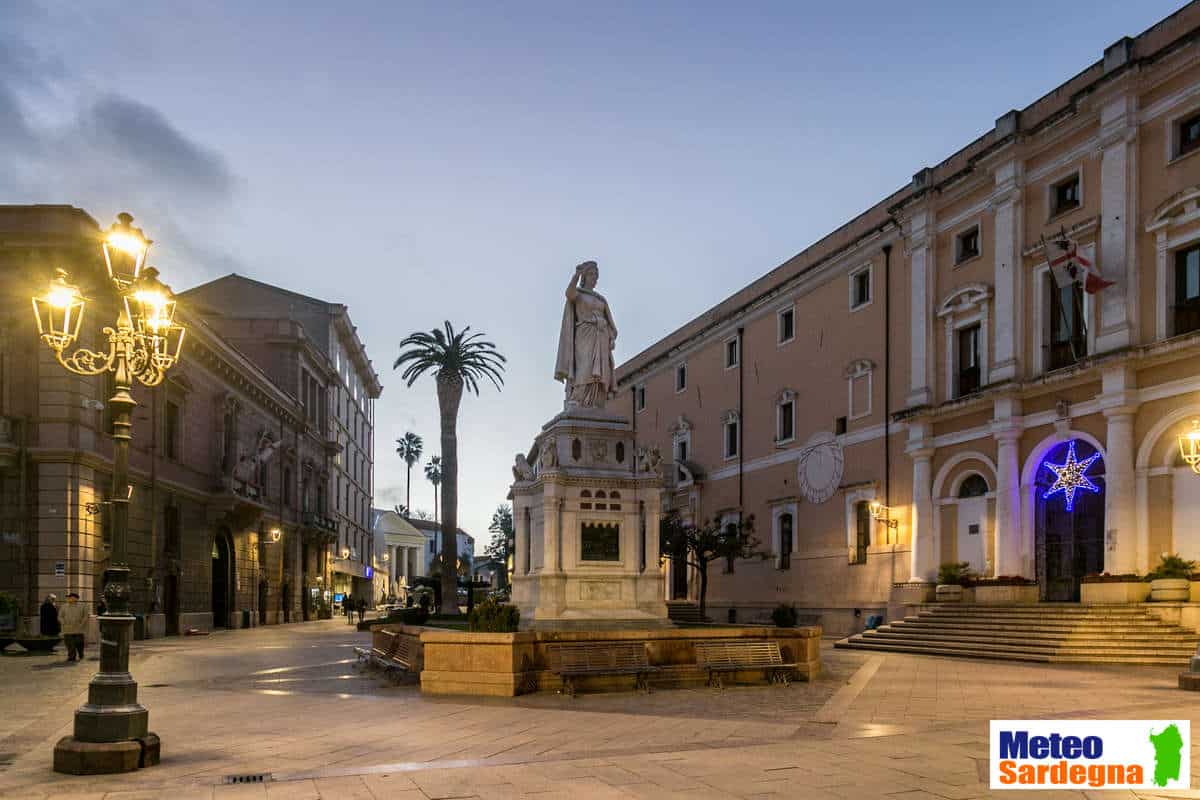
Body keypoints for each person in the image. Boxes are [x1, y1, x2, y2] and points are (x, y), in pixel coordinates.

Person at [59, 592, 88, 663]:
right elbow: (60, 616)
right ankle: (71, 656)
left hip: (79, 629)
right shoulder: (64, 606)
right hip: (67, 629)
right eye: (68, 597)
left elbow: (86, 616)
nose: (68, 599)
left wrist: (82, 623)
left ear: (75, 598)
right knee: (69, 643)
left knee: (79, 643)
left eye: (70, 597)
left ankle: (81, 653)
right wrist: (63, 622)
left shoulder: (82, 606)